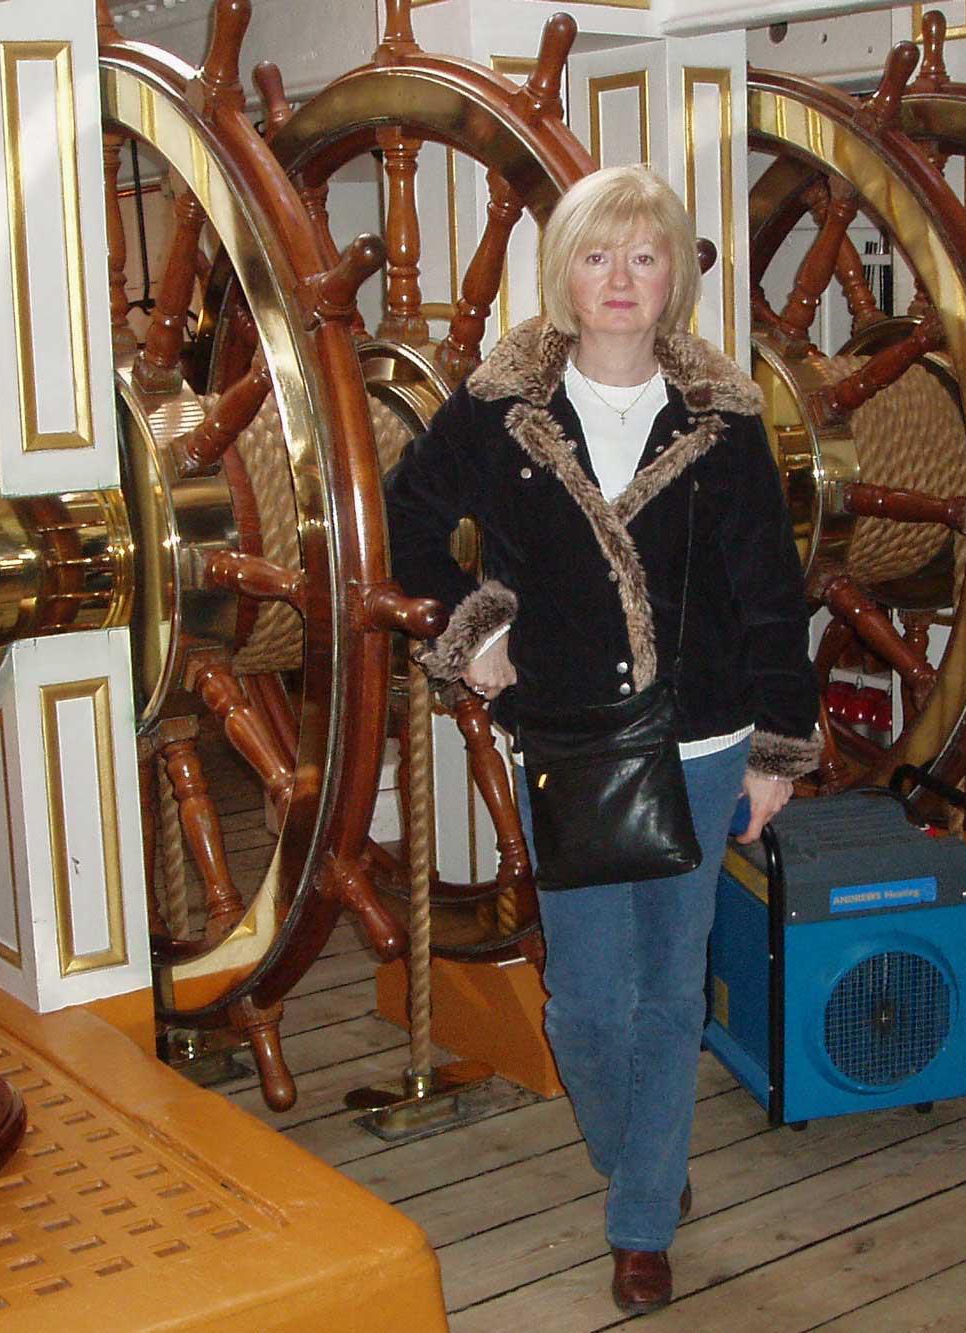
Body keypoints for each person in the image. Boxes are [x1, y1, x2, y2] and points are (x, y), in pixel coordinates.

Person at [383, 164, 819, 1314]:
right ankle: (645, 1156)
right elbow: (408, 520)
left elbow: (770, 592)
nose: (619, 279)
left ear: (672, 275)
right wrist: (471, 628)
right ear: (563, 274)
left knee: (671, 991)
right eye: (595, 255)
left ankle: (639, 1217)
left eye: (642, 256)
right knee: (583, 1000)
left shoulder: (724, 422)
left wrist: (777, 747)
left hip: (703, 734)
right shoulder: (496, 408)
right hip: (569, 738)